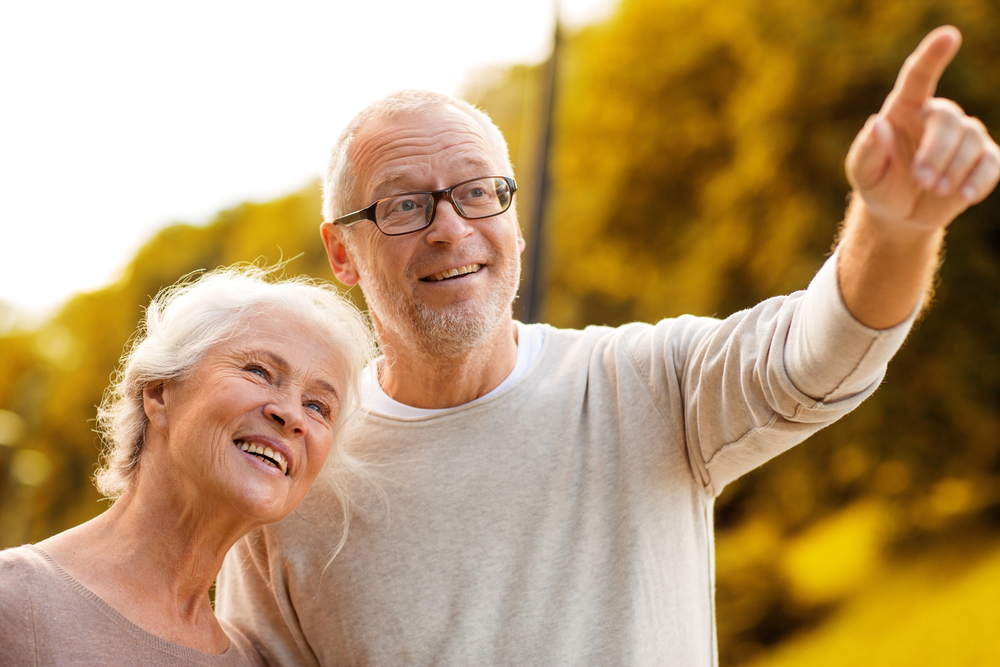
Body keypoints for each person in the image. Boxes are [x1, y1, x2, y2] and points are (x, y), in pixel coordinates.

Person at [216, 26, 1000, 666]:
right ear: (342, 252)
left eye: (479, 192)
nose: (451, 228)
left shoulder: (643, 384)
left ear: (514, 218)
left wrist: (895, 227)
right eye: (405, 205)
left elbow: (823, 347)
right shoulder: (291, 482)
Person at [0, 267, 376, 666]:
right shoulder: (15, 600)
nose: (292, 415)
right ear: (160, 393)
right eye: (258, 371)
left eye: (318, 406)